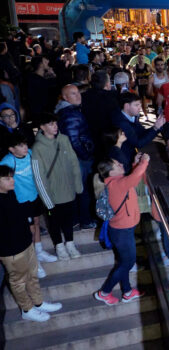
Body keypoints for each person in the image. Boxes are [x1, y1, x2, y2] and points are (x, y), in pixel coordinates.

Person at [0, 165, 63, 322]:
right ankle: (27, 309)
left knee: (32, 275)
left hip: (25, 243)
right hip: (12, 250)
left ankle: (38, 302)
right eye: (7, 178)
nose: (12, 180)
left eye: (11, 177)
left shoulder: (10, 193)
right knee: (19, 281)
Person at [93, 154, 150, 305]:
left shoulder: (116, 182)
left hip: (121, 230)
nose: (120, 164)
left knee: (123, 262)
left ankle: (127, 291)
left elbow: (133, 178)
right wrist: (144, 162)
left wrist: (135, 164)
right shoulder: (117, 184)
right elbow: (134, 177)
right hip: (122, 232)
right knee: (128, 263)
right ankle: (104, 292)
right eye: (117, 164)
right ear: (111, 172)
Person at [1, 132, 59, 278]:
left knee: (37, 223)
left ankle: (39, 251)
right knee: (30, 229)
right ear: (11, 149)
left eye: (25, 144)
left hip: (34, 196)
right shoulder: (7, 162)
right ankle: (34, 262)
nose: (25, 147)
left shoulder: (32, 154)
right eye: (20, 146)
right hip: (20, 201)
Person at [31, 113, 83, 260]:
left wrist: (78, 185)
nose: (55, 126)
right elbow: (38, 176)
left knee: (68, 219)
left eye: (55, 123)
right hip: (52, 194)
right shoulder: (37, 148)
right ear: (42, 127)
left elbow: (74, 162)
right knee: (54, 221)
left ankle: (70, 243)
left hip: (68, 190)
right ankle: (59, 246)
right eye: (50, 124)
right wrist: (47, 199)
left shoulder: (64, 139)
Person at [55, 84, 97, 230]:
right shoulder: (70, 114)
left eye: (78, 92)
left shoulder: (69, 111)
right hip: (79, 159)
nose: (78, 96)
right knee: (82, 190)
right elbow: (73, 140)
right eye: (73, 94)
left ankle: (76, 220)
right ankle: (84, 220)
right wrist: (85, 155)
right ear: (65, 97)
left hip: (76, 158)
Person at [111, 92, 166, 173]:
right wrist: (155, 128)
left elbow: (142, 132)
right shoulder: (122, 123)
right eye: (136, 105)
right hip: (123, 161)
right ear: (126, 106)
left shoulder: (131, 116)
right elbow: (138, 143)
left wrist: (156, 127)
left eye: (140, 104)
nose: (140, 108)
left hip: (131, 155)